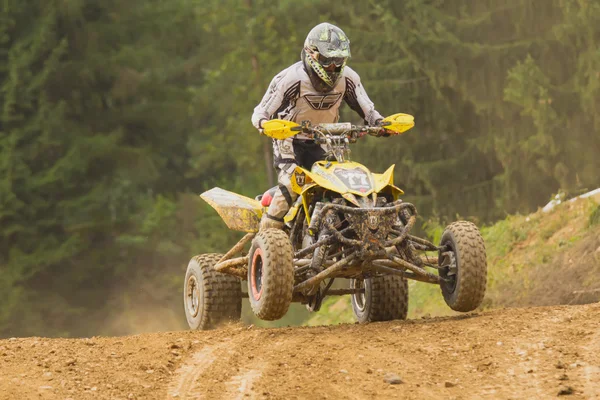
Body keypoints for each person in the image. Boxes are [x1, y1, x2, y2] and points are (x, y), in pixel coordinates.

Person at [252, 22, 386, 230]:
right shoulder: (291, 79)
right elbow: (260, 112)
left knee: (341, 186)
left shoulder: (348, 78)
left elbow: (368, 110)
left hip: (324, 141)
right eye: (327, 60)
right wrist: (265, 124)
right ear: (311, 54)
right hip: (289, 140)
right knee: (291, 184)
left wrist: (380, 123)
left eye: (338, 60)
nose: (333, 67)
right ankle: (266, 241)